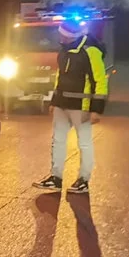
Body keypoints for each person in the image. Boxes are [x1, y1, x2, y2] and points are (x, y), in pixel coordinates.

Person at [32, 21, 109, 195]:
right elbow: (60, 77)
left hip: (81, 106)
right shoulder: (64, 51)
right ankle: (56, 178)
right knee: (57, 141)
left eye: (63, 34)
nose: (60, 37)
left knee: (84, 143)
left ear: (71, 35)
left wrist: (96, 109)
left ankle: (83, 180)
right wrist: (54, 101)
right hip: (62, 105)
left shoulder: (90, 52)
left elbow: (100, 81)